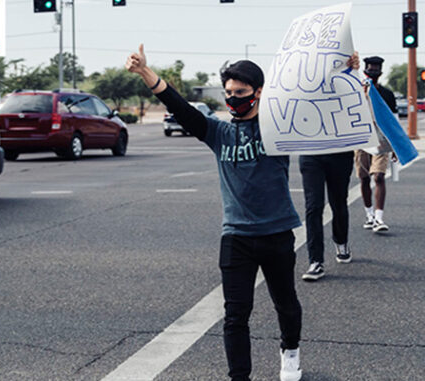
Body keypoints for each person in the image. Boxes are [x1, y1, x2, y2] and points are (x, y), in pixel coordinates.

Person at [126, 44, 309, 381]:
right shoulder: (219, 132)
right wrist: (145, 72)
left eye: (241, 92)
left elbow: (321, 105)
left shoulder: (276, 127)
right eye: (229, 93)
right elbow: (179, 106)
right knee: (235, 315)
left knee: (285, 302)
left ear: (258, 92)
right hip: (236, 236)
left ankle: (291, 351)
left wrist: (349, 69)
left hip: (277, 232)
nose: (234, 98)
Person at [300, 57, 363, 282]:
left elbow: (359, 100)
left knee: (338, 202)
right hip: (310, 153)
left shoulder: (343, 81)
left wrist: (354, 71)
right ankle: (315, 260)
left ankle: (341, 241)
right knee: (313, 206)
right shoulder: (301, 82)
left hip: (339, 151)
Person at [355, 56, 397, 234]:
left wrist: (395, 145)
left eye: (377, 69)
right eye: (370, 69)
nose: (373, 72)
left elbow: (393, 121)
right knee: (364, 178)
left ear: (381, 72)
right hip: (361, 139)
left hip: (381, 140)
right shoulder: (358, 91)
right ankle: (369, 214)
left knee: (378, 176)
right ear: (365, 70)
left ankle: (379, 218)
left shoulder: (387, 94)